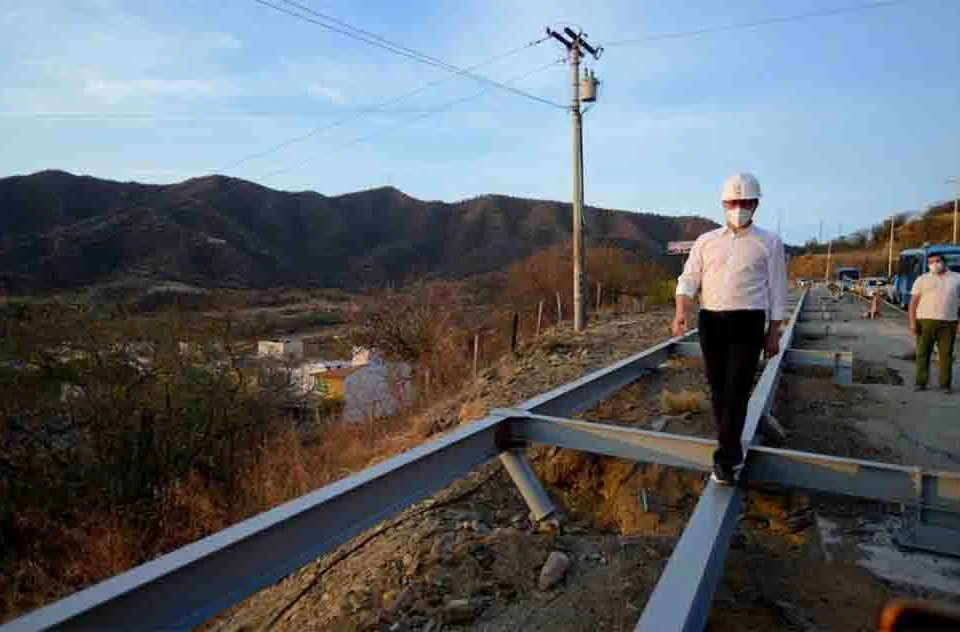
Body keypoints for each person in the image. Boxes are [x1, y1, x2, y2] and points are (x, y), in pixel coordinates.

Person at [671, 172, 788, 485]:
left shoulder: (769, 243)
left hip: (748, 322)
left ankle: (726, 459)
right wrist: (682, 310)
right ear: (724, 203)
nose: (740, 207)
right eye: (734, 202)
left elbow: (777, 289)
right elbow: (689, 278)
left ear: (756, 205)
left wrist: (773, 331)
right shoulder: (706, 242)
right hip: (711, 322)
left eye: (746, 202)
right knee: (719, 389)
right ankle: (729, 444)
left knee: (737, 388)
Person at [908, 253, 960, 393]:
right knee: (922, 353)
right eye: (930, 262)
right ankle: (920, 382)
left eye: (937, 261)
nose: (934, 264)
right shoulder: (922, 279)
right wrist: (912, 323)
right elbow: (913, 303)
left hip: (949, 322)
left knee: (946, 354)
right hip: (925, 321)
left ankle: (945, 385)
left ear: (944, 262)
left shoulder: (956, 279)